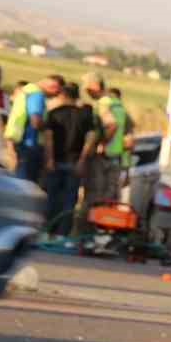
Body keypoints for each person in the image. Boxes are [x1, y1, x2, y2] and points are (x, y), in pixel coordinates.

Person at [41, 82, 99, 235]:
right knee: (69, 202)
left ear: (63, 95)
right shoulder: (85, 115)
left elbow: (48, 139)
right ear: (77, 96)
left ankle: (47, 232)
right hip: (75, 163)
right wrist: (82, 160)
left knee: (51, 198)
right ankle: (62, 234)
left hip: (56, 161)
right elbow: (91, 139)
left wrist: (49, 159)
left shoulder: (54, 114)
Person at [84, 75, 131, 207]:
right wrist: (126, 167)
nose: (85, 91)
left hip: (101, 155)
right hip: (116, 156)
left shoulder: (103, 104)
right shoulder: (122, 110)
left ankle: (90, 224)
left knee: (95, 194)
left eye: (87, 87)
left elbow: (111, 125)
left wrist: (102, 143)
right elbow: (129, 141)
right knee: (110, 195)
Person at [4, 73, 61, 181]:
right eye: (56, 92)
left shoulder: (27, 90)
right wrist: (47, 126)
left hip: (15, 138)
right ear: (53, 86)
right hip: (28, 143)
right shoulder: (37, 95)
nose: (55, 96)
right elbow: (35, 121)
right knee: (24, 182)